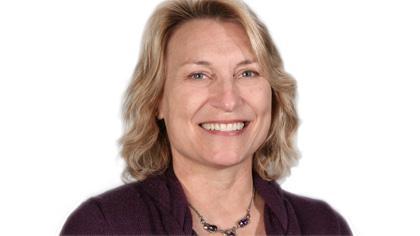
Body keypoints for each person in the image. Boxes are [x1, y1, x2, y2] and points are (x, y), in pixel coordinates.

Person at [61, 0, 351, 235]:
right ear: (157, 100)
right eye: (198, 75)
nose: (228, 99)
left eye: (246, 73)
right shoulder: (103, 227)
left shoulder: (324, 226)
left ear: (273, 95)